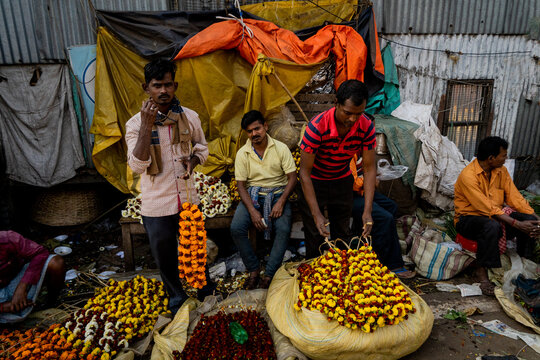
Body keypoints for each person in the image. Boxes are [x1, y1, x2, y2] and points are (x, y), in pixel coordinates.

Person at [125, 59, 214, 314]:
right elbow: (137, 165)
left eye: (167, 85)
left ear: (174, 86)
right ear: (146, 88)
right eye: (156, 86)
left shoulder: (189, 117)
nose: (163, 91)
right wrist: (146, 125)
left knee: (196, 248)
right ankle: (176, 297)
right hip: (157, 204)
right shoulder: (134, 125)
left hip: (187, 198)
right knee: (165, 257)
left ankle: (205, 290)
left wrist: (194, 160)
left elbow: (202, 148)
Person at [298, 79, 376, 259]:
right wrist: (317, 214)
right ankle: (314, 278)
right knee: (315, 237)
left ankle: (339, 276)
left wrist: (367, 211)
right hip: (314, 182)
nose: (353, 119)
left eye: (359, 113)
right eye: (348, 113)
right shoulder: (316, 128)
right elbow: (304, 173)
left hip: (341, 181)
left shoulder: (366, 126)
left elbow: (370, 168)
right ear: (336, 104)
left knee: (342, 236)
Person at [454, 136, 540, 296]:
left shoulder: (501, 171)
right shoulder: (468, 176)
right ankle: (481, 273)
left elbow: (515, 198)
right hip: (468, 220)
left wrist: (535, 218)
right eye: (504, 155)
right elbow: (486, 207)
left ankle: (525, 261)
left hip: (496, 216)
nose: (506, 158)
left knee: (529, 221)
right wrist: (516, 224)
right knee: (490, 225)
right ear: (491, 158)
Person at [231, 110, 297, 289]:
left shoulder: (281, 148)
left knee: (283, 228)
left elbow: (292, 178)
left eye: (257, 128)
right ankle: (253, 269)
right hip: (253, 194)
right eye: (250, 131)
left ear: (265, 127)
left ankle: (269, 273)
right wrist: (252, 210)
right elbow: (241, 186)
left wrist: (281, 201)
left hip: (278, 193)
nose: (254, 134)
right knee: (236, 228)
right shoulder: (243, 153)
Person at [350, 155, 415, 279]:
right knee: (385, 218)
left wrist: (373, 177)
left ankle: (377, 253)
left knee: (391, 206)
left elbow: (367, 170)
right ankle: (393, 265)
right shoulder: (349, 151)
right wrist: (368, 180)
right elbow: (354, 183)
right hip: (347, 195)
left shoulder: (362, 152)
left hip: (360, 192)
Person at [0, 231, 65, 323]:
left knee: (56, 263)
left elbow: (41, 252)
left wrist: (22, 286)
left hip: (13, 282)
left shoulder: (7, 238)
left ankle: (51, 305)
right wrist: (3, 307)